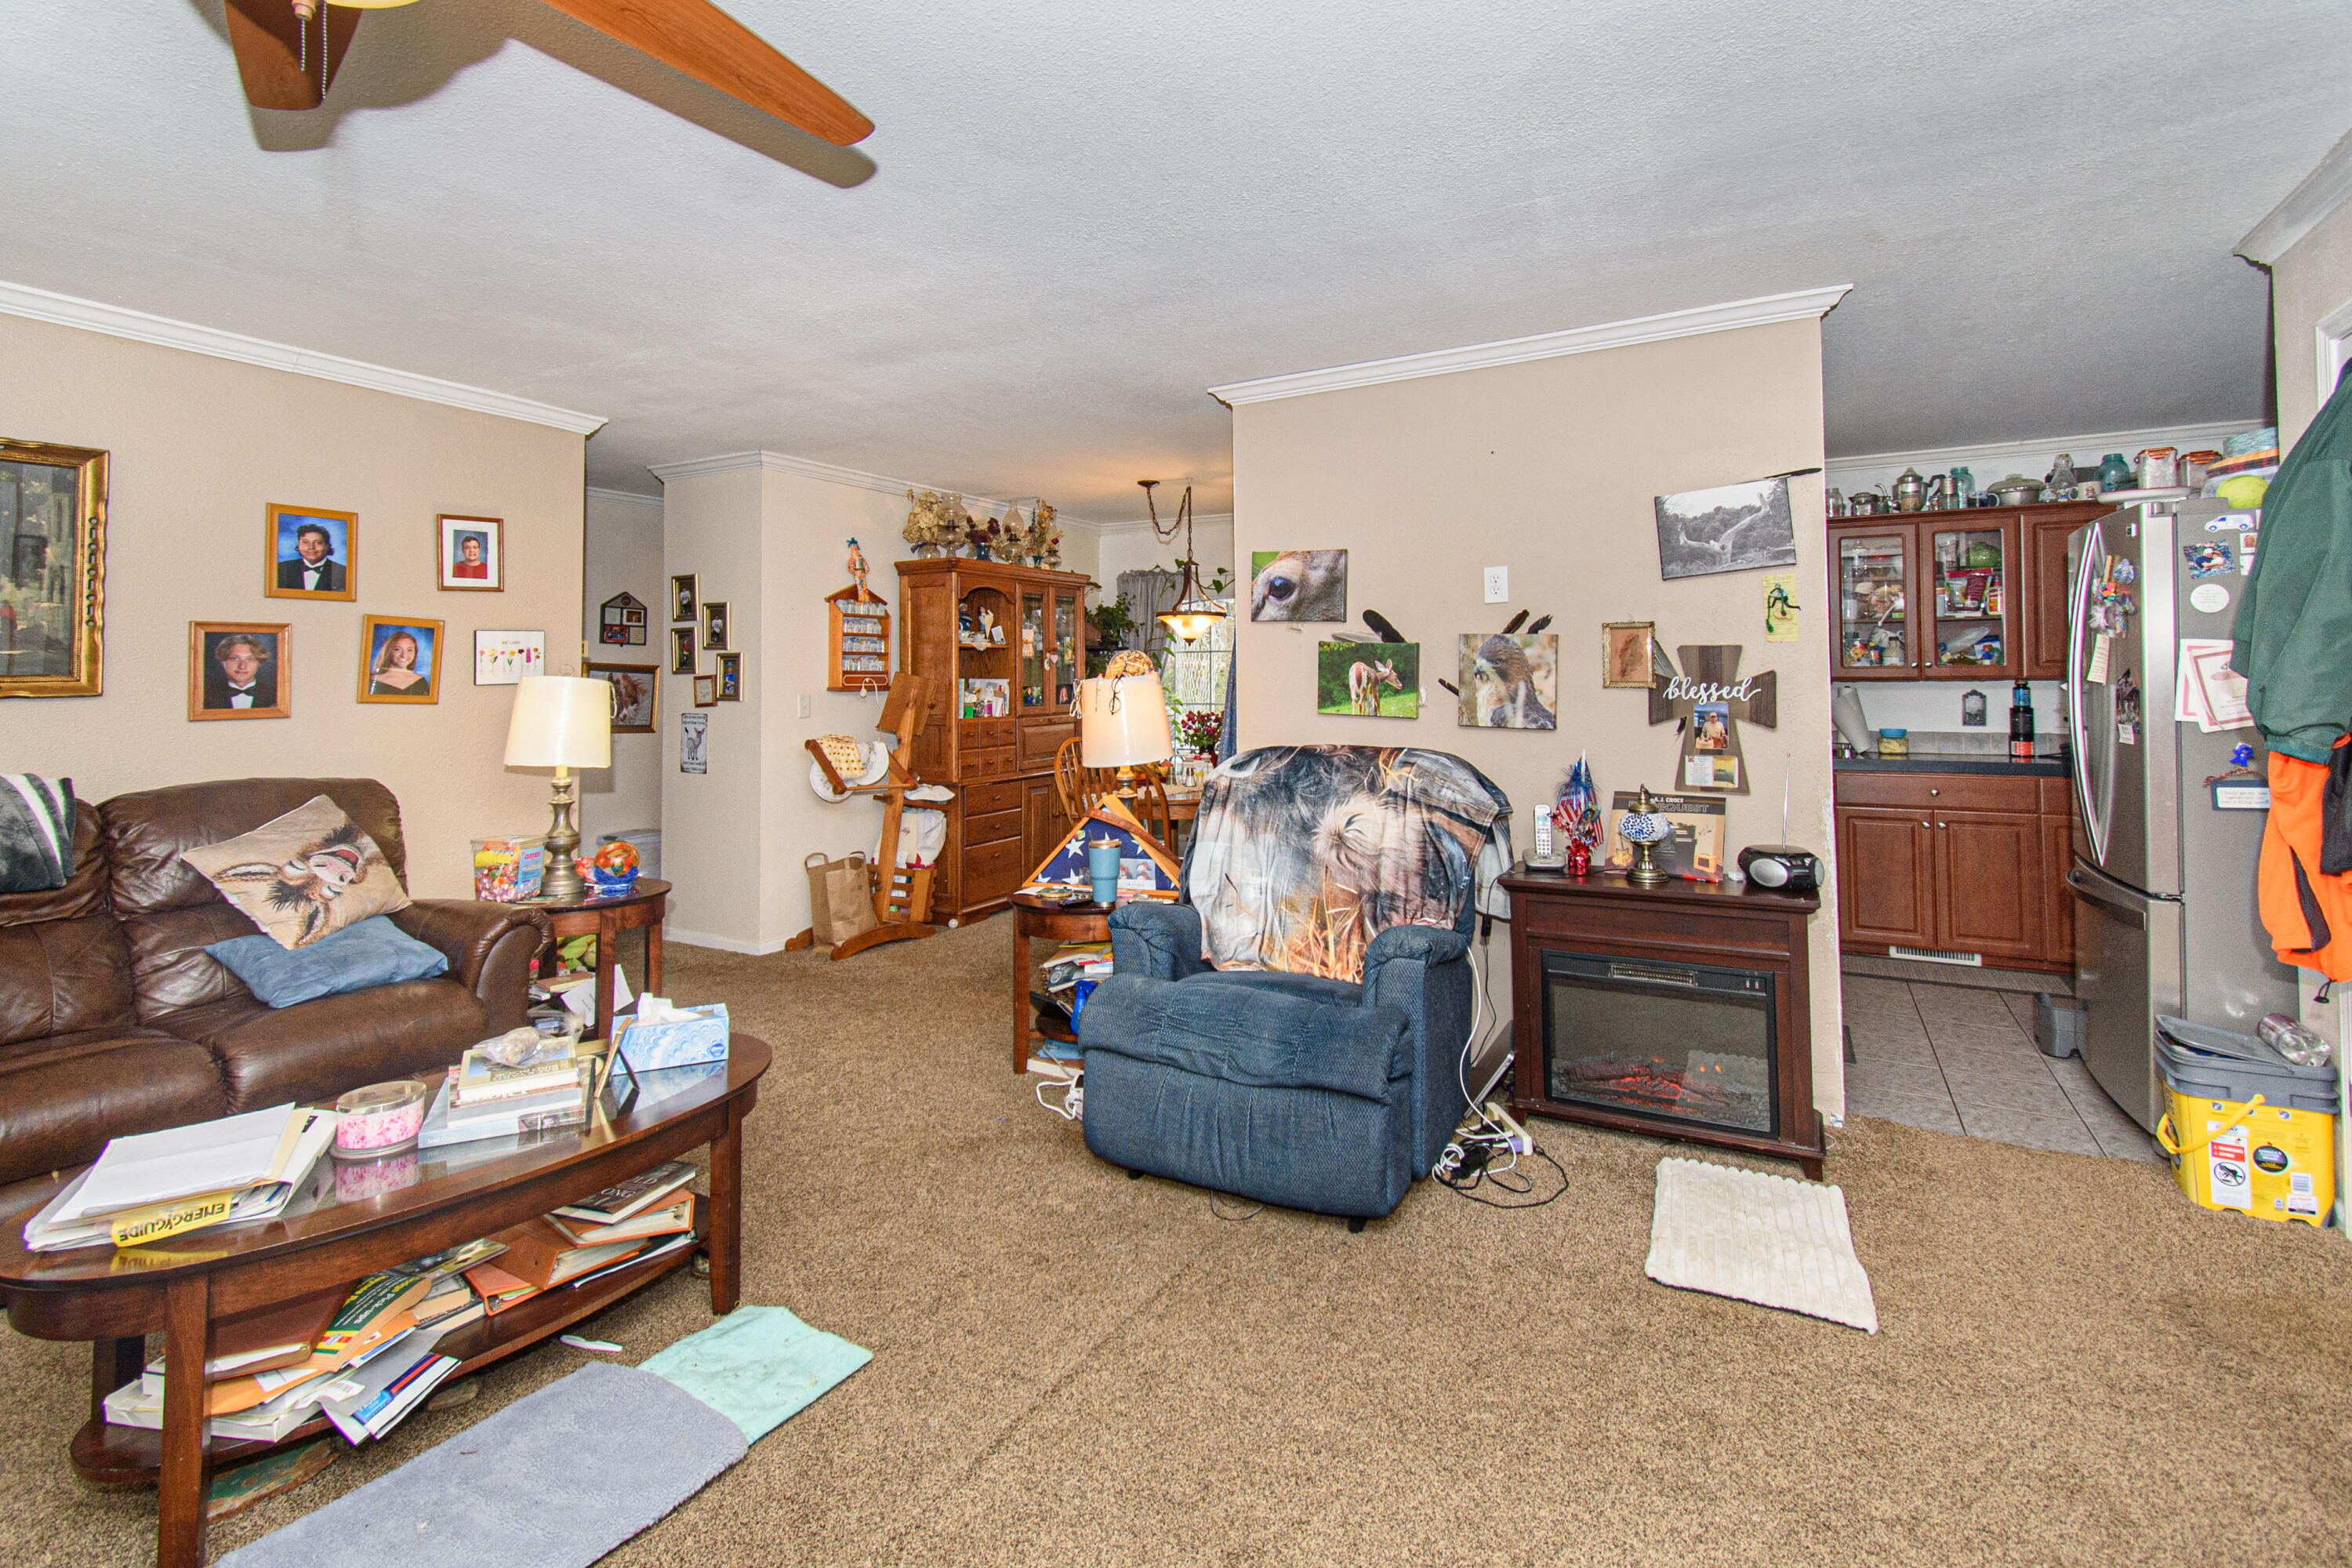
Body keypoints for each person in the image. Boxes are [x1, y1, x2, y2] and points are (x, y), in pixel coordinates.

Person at [202, 633, 277, 710]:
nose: (242, 666)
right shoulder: (206, 695)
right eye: (234, 659)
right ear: (222, 661)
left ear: (259, 663)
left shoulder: (276, 695)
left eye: (250, 659)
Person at [275, 521, 345, 593]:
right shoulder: (281, 569)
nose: (311, 547)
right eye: (305, 542)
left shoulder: (343, 572)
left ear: (327, 546)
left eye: (318, 542)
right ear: (298, 545)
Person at [368, 630, 429, 697]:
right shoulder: (372, 679)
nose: (404, 655)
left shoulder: (420, 682)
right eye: (397, 649)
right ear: (388, 651)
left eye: (409, 650)